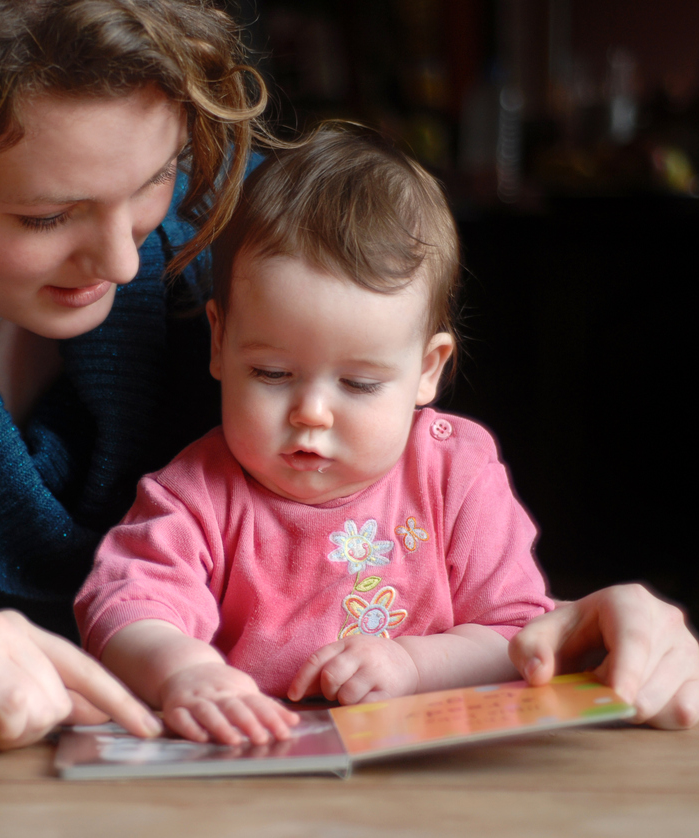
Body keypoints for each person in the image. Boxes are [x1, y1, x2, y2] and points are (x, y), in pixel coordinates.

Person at [0, 0, 699, 750]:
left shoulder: (241, 231)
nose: (127, 261)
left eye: (156, 179)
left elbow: (410, 541)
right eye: (45, 213)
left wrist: (582, 625)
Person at [76, 129, 559, 744]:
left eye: (358, 384)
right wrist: (185, 673)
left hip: (423, 777)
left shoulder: (455, 474)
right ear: (219, 341)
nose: (311, 414)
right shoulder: (199, 493)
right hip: (253, 770)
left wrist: (412, 665)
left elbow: (520, 635)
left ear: (427, 370)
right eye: (273, 373)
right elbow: (123, 606)